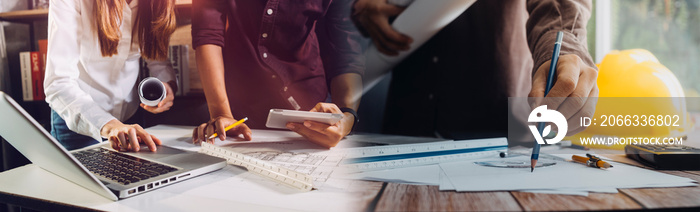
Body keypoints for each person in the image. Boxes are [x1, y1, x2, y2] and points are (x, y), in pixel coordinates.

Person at [352, 0, 598, 140]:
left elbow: (557, 6)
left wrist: (563, 47)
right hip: (406, 121)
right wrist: (361, 7)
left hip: (497, 126)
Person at [190, 0, 365, 148]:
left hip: (312, 107)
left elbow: (347, 50)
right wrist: (221, 113)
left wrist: (346, 116)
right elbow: (207, 34)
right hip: (239, 107)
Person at [44, 0, 178, 151]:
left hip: (131, 119)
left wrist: (167, 86)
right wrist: (109, 124)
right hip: (78, 122)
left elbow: (158, 59)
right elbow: (58, 83)